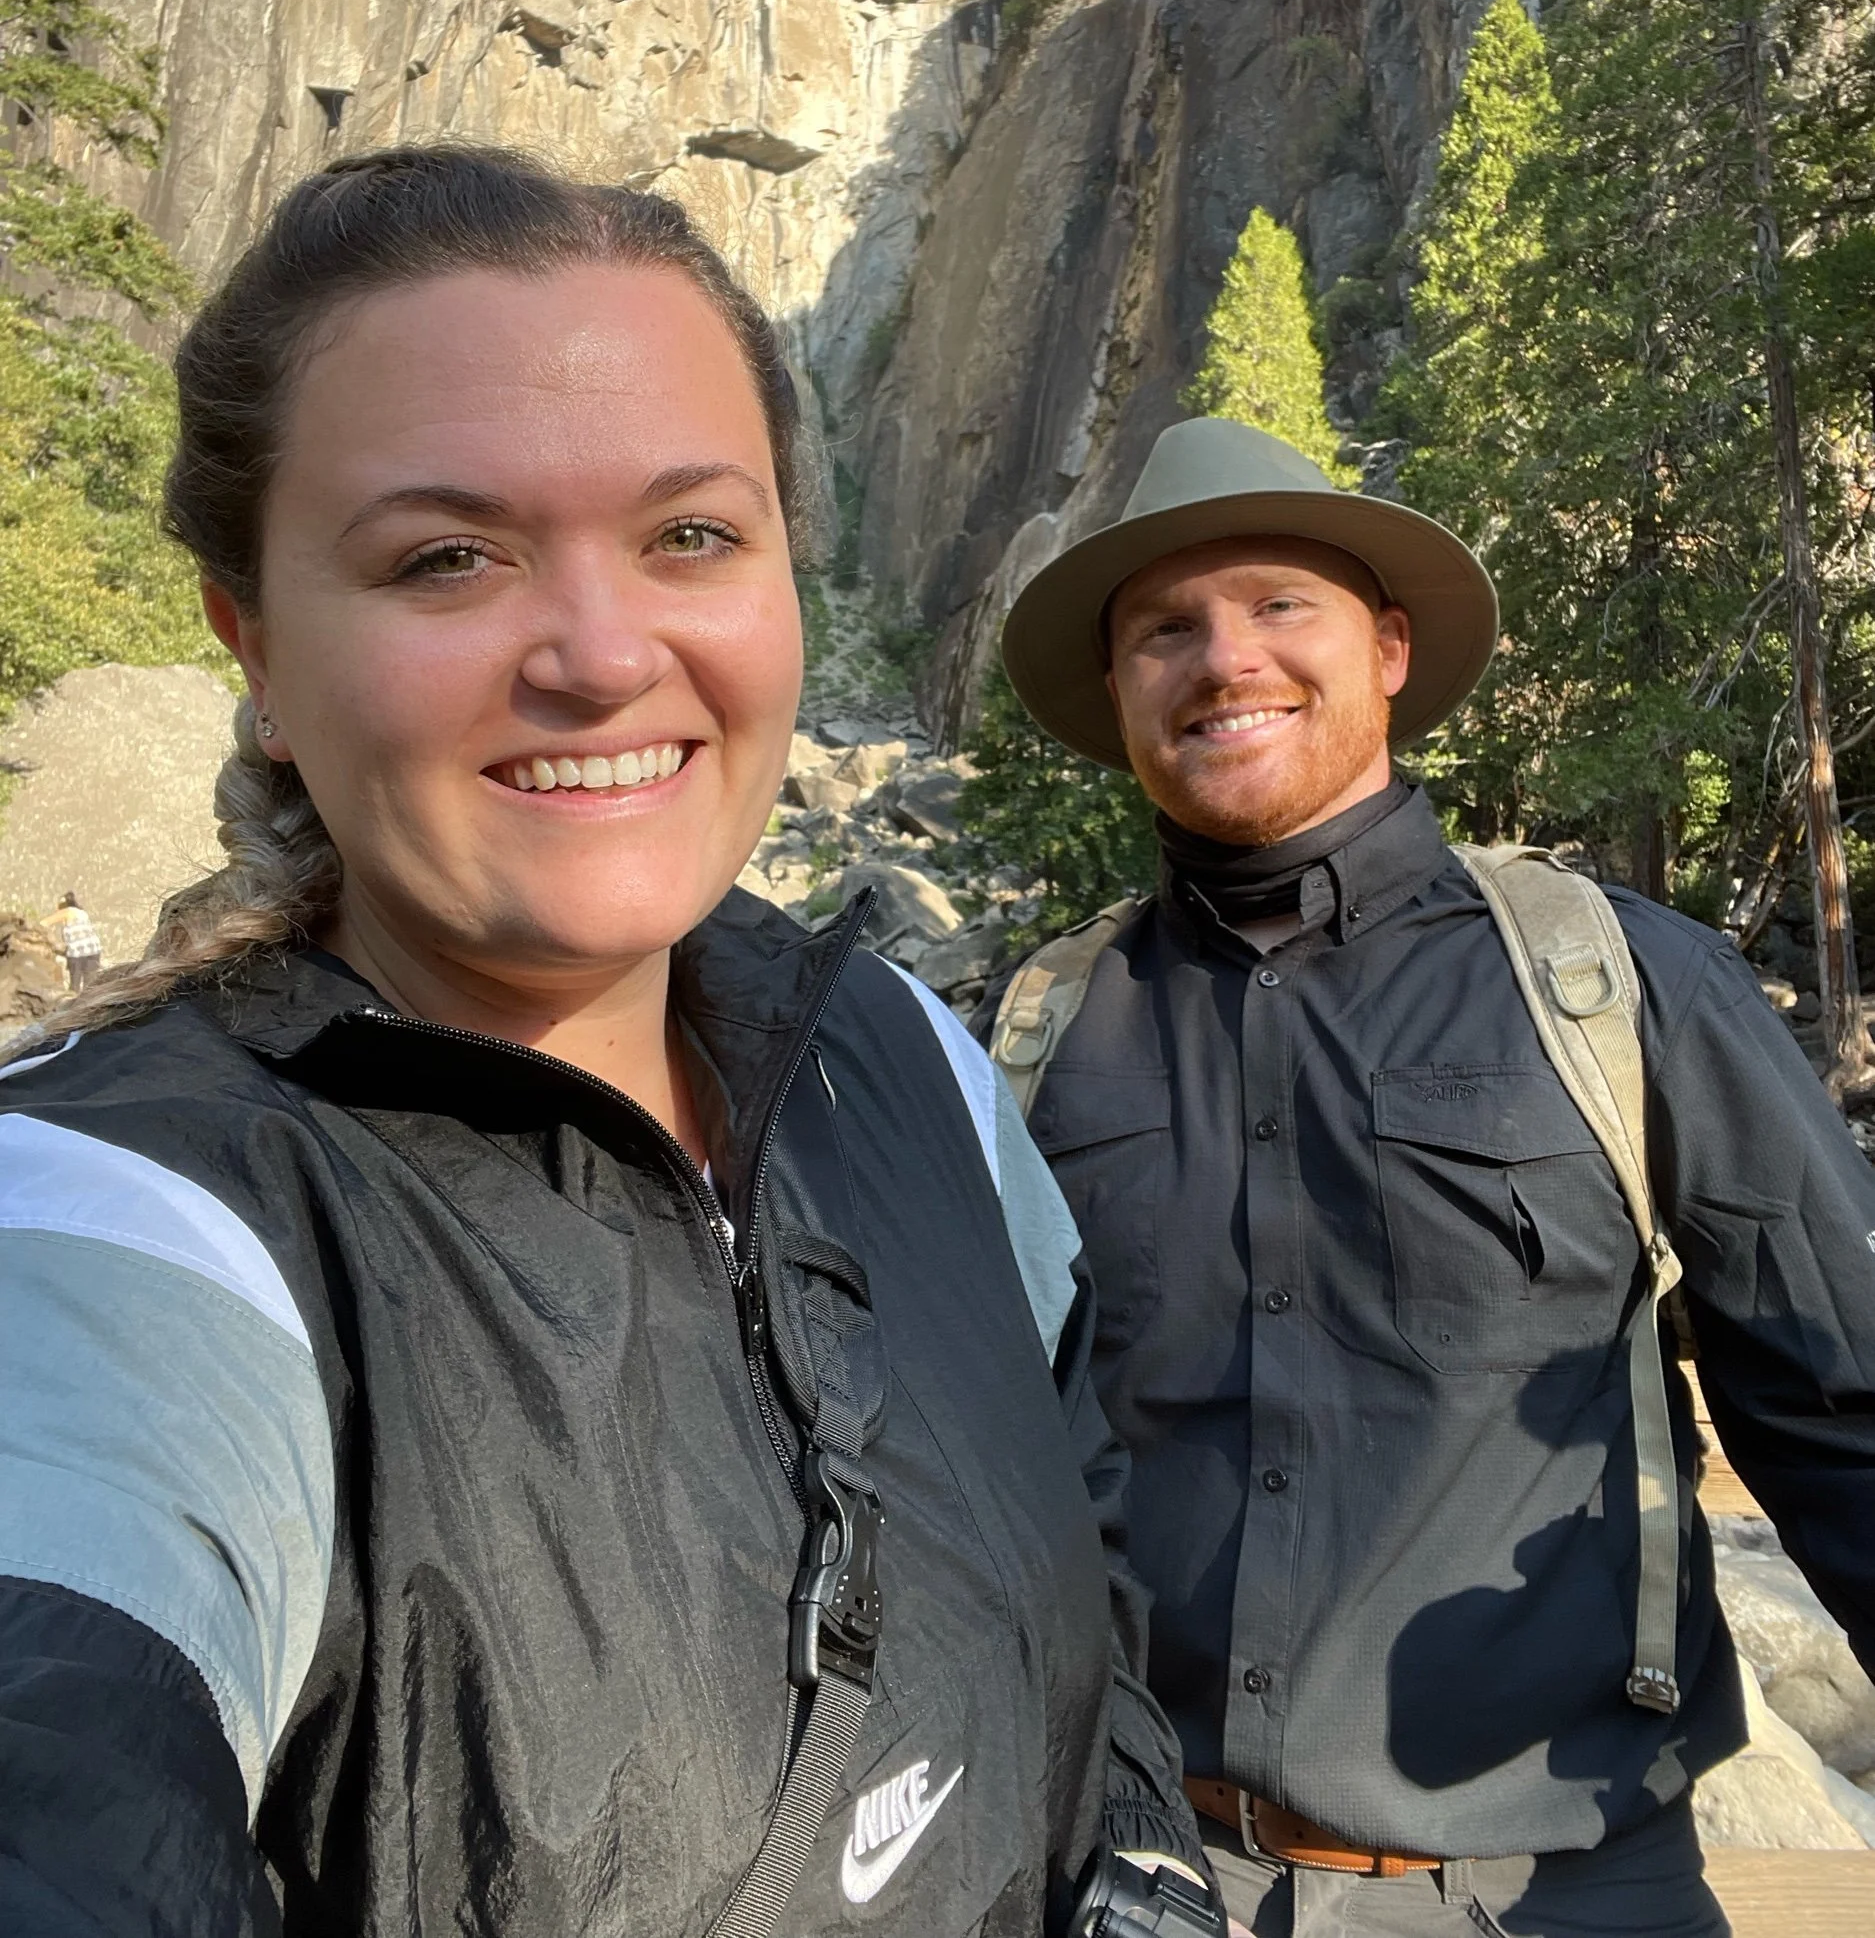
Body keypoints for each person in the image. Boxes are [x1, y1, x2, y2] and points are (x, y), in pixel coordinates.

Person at [0, 148, 1220, 1938]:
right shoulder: (122, 1229)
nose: (597, 650)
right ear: (251, 647)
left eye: (691, 536)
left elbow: (1076, 1524)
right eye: (446, 557)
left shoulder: (901, 1059)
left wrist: (1143, 1862)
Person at [978, 415, 1875, 1937]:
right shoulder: (1036, 1036)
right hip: (1134, 1883)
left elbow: (1841, 1415)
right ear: (1120, 691)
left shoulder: (1614, 987)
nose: (1221, 658)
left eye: (1277, 606)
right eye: (1162, 630)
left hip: (1559, 1897)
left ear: (1385, 649)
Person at [45, 892, 100, 992]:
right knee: (90, 987)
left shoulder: (67, 911)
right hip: (94, 950)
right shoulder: (82, 912)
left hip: (77, 953)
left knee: (74, 987)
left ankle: (74, 1006)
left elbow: (44, 923)